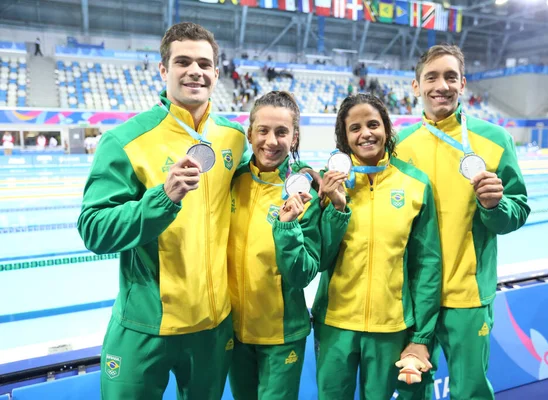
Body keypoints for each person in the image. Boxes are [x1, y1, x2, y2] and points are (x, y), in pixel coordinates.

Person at [77, 22, 247, 400]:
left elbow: (262, 183)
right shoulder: (124, 141)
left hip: (212, 325)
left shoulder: (234, 139)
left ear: (216, 74)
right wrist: (163, 198)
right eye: (182, 61)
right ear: (163, 70)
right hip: (144, 324)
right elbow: (93, 229)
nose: (195, 71)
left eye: (204, 64)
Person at [394, 44, 530, 400]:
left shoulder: (495, 139)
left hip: (467, 295)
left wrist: (494, 206)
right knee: (411, 391)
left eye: (451, 76)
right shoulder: (397, 145)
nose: (442, 85)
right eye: (432, 77)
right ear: (415, 86)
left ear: (463, 83)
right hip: (409, 296)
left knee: (470, 391)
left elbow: (518, 210)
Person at [312, 93, 442, 399]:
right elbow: (319, 258)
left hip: (391, 326)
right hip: (335, 323)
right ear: (344, 138)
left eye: (373, 124)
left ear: (386, 128)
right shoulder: (329, 183)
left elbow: (427, 264)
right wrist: (335, 207)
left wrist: (422, 335)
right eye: (354, 128)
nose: (365, 133)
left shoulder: (415, 183)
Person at [227, 91, 321, 399]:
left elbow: (303, 274)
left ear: (294, 138)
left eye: (282, 132)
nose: (271, 141)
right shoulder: (232, 179)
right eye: (263, 130)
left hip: (281, 335)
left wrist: (287, 225)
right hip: (233, 333)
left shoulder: (304, 190)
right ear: (249, 133)